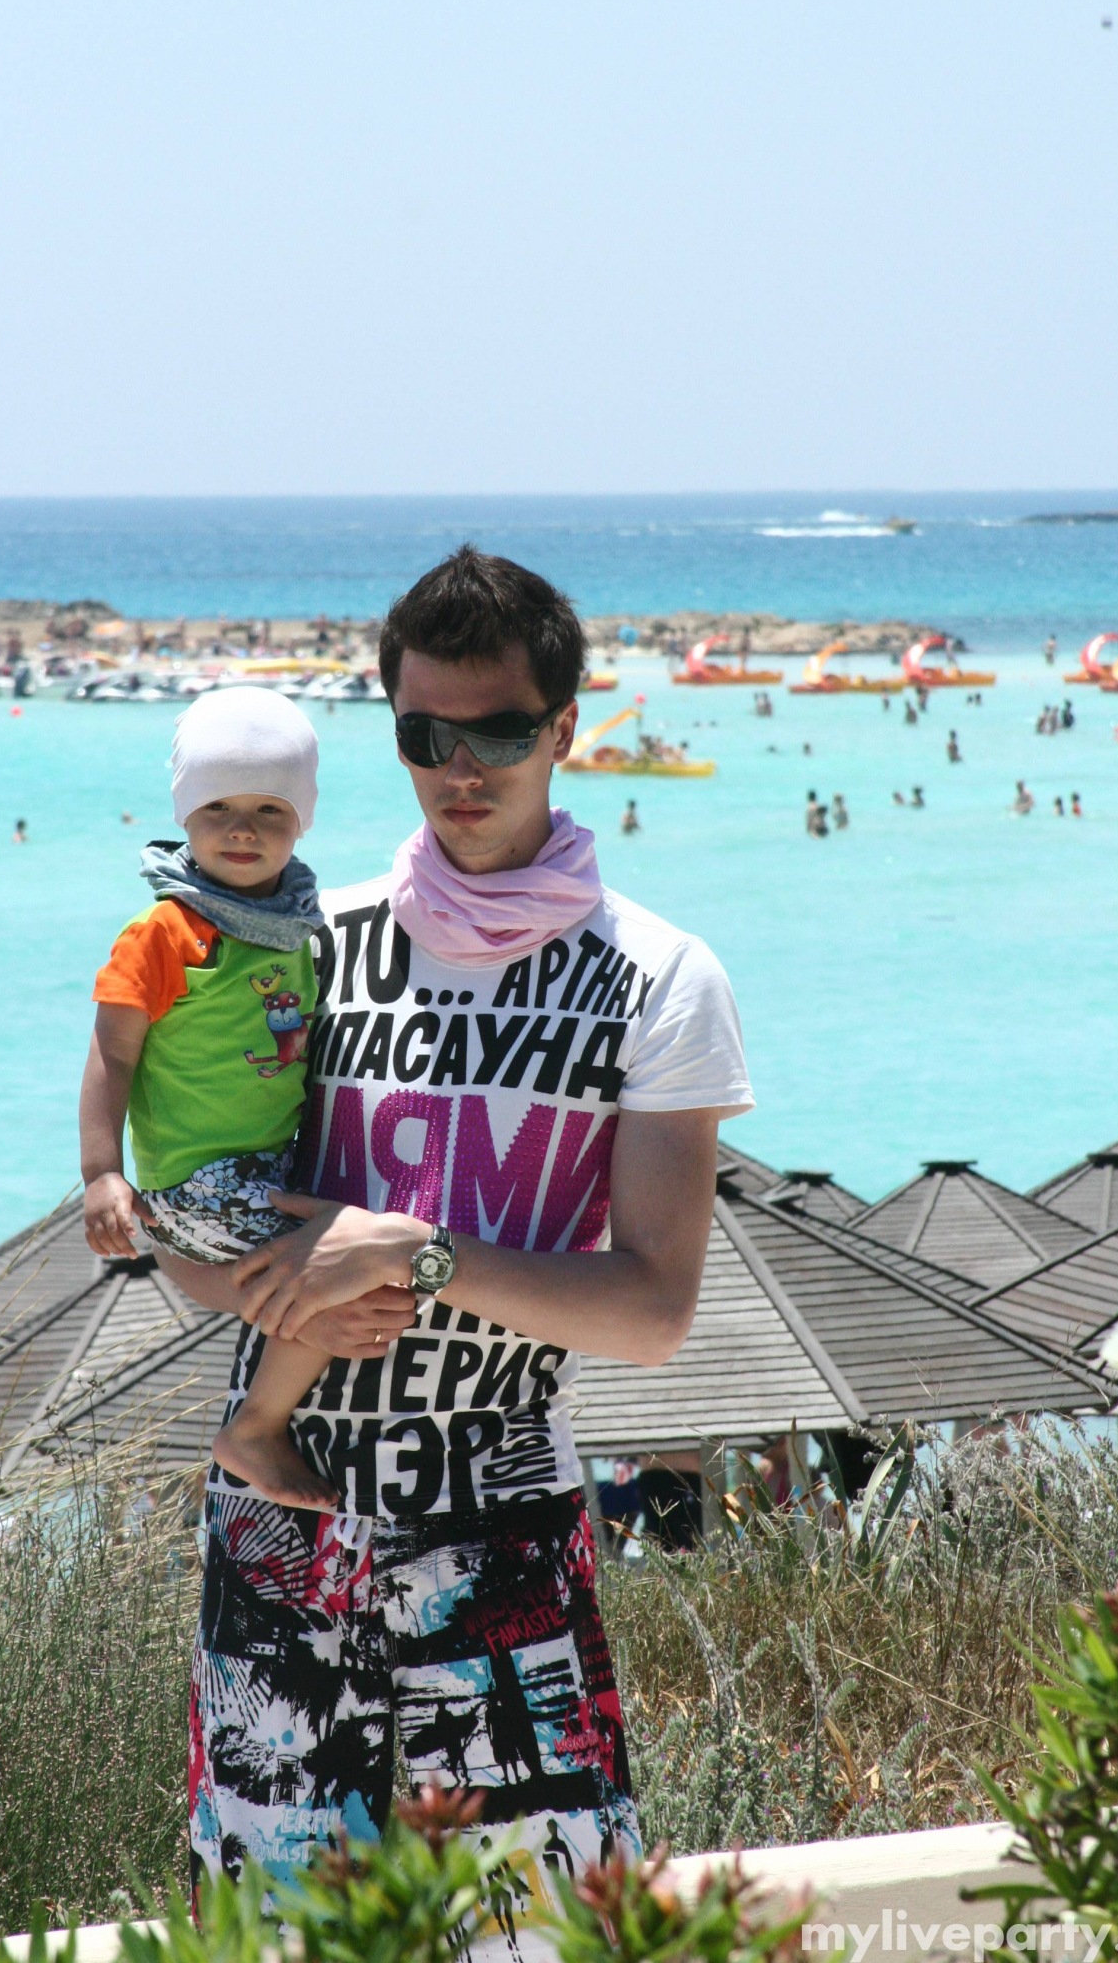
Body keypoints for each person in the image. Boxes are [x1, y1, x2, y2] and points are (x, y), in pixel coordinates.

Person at [162, 548, 752, 1895]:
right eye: (426, 736)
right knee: (271, 1916)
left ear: (564, 729)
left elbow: (652, 1311)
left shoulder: (659, 978)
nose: (459, 769)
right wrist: (263, 1281)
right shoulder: (302, 950)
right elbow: (183, 1230)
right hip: (281, 1496)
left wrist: (415, 1255)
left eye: (498, 732)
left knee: (534, 1912)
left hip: (501, 1495)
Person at [80, 686, 337, 1510]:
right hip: (199, 1183)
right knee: (334, 1285)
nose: (242, 829)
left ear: (302, 821)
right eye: (218, 807)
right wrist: (101, 1175)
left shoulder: (299, 924)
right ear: (185, 813)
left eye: (270, 810)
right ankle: (256, 1427)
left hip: (271, 1167)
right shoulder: (164, 932)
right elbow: (112, 1056)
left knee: (360, 1256)